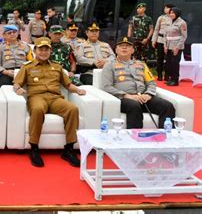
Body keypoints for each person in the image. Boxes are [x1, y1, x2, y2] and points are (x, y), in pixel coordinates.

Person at [13, 37, 85, 168]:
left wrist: (78, 90)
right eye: (41, 49)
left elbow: (68, 85)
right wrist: (18, 89)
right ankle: (34, 148)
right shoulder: (27, 67)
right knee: (37, 109)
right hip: (37, 97)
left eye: (46, 49)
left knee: (72, 109)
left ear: (50, 51)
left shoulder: (57, 67)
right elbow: (17, 82)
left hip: (55, 98)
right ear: (35, 50)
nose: (43, 52)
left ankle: (69, 149)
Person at [102, 37, 175, 128]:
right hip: (123, 99)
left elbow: (151, 82)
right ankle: (135, 138)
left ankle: (166, 136)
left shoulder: (141, 64)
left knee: (167, 106)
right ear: (116, 50)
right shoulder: (109, 65)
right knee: (134, 106)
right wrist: (127, 96)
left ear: (132, 50)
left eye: (127, 46)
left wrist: (148, 94)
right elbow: (107, 87)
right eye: (121, 46)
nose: (124, 48)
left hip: (143, 97)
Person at [164, 7, 187, 86]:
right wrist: (165, 46)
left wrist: (177, 47)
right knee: (169, 63)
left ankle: (175, 80)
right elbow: (165, 35)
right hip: (168, 45)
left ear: (177, 14)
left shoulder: (182, 22)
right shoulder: (168, 21)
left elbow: (184, 37)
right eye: (170, 13)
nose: (171, 14)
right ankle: (171, 78)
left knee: (175, 63)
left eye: (173, 13)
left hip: (177, 46)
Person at [151, 4, 174, 81]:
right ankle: (159, 74)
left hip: (170, 41)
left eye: (167, 8)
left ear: (171, 9)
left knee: (169, 59)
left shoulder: (173, 17)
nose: (165, 9)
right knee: (159, 58)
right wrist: (154, 40)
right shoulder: (161, 18)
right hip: (160, 40)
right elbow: (156, 29)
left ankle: (167, 75)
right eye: (165, 7)